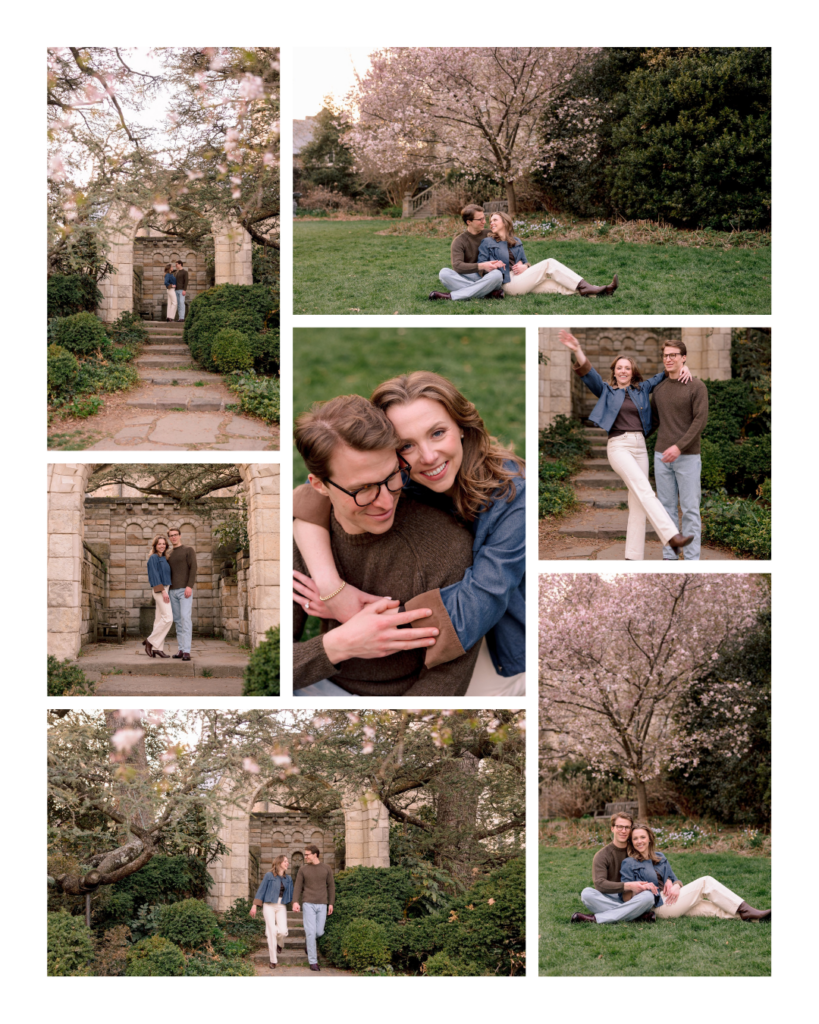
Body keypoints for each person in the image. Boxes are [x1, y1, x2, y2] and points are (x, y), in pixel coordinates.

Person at [292, 372, 526, 696]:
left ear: (462, 426)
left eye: (438, 432)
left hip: (498, 636)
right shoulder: (396, 472)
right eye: (406, 445)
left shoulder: (514, 500)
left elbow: (478, 605)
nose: (428, 457)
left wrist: (364, 624)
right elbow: (312, 495)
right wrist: (334, 589)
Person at [560, 330, 694, 560]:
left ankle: (633, 557)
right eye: (619, 367)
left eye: (627, 368)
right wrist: (577, 350)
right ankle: (672, 536)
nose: (623, 371)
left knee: (638, 503)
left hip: (640, 447)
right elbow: (588, 373)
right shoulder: (606, 391)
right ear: (614, 371)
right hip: (619, 446)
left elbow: (665, 374)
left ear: (633, 373)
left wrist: (684, 368)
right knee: (645, 490)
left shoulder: (642, 389)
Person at [621, 823, 771, 922]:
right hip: (659, 906)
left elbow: (675, 879)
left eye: (642, 837)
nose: (639, 841)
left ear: (649, 839)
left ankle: (755, 918)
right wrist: (644, 887)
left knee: (709, 908)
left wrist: (676, 886)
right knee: (705, 882)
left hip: (674, 900)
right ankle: (746, 909)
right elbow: (626, 896)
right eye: (635, 838)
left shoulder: (660, 857)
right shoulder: (629, 863)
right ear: (631, 842)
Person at [651, 341, 709, 560]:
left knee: (690, 509)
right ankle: (670, 556)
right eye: (666, 355)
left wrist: (679, 446)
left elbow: (700, 421)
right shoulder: (659, 389)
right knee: (666, 510)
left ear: (684, 358)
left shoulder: (696, 387)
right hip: (661, 456)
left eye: (673, 355)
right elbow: (654, 421)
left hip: (688, 457)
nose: (668, 359)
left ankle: (692, 560)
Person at [477, 212, 618, 298]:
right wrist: (494, 266)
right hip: (508, 283)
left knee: (556, 285)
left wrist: (525, 267)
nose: (491, 223)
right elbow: (481, 268)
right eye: (491, 221)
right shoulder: (487, 242)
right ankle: (586, 286)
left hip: (522, 279)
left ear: (505, 222)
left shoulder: (517, 242)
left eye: (495, 219)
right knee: (549, 263)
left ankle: (601, 291)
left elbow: (526, 262)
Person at [571, 812, 658, 924]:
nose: (623, 830)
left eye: (627, 827)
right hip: (611, 895)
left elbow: (658, 865)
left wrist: (672, 881)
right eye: (619, 827)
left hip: (634, 896)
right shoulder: (602, 855)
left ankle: (596, 919)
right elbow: (599, 884)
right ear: (612, 828)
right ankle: (636, 915)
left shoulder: (637, 848)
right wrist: (629, 885)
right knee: (587, 894)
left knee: (648, 897)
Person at [429, 204, 506, 301]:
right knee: (444, 273)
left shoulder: (490, 234)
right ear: (469, 222)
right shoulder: (459, 241)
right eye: (480, 219)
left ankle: (451, 296)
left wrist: (524, 264)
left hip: (488, 276)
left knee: (497, 275)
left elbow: (511, 247)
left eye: (484, 218)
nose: (484, 222)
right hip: (471, 275)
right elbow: (457, 266)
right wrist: (482, 266)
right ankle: (487, 293)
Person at [292, 845, 335, 972]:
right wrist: (295, 902)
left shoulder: (326, 868)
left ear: (315, 854)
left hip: (322, 903)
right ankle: (313, 962)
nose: (305, 857)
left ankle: (308, 941)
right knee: (311, 932)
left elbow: (331, 887)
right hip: (308, 903)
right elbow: (298, 887)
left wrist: (331, 903)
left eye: (307, 854)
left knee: (319, 932)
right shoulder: (303, 869)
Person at [250, 854, 294, 969]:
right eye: (285, 861)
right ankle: (273, 960)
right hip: (268, 905)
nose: (287, 863)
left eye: (287, 861)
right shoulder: (269, 875)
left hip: (281, 906)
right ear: (279, 863)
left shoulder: (288, 879)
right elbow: (261, 890)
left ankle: (280, 943)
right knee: (271, 932)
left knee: (283, 931)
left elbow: (292, 893)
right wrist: (254, 905)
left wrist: (295, 903)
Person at [166, 527, 197, 661]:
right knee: (178, 621)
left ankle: (187, 651)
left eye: (175, 535)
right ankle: (180, 649)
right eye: (171, 536)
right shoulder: (168, 553)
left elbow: (193, 568)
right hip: (171, 591)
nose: (173, 537)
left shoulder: (188, 550)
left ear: (180, 535)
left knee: (185, 618)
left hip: (185, 590)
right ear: (169, 538)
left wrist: (189, 586)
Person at [142, 535, 173, 659]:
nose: (162, 546)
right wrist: (163, 591)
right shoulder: (153, 558)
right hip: (160, 590)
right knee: (168, 618)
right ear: (155, 545)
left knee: (159, 620)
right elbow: (154, 575)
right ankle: (150, 641)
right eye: (159, 544)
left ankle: (157, 649)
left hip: (166, 589)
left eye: (164, 544)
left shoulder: (164, 558)